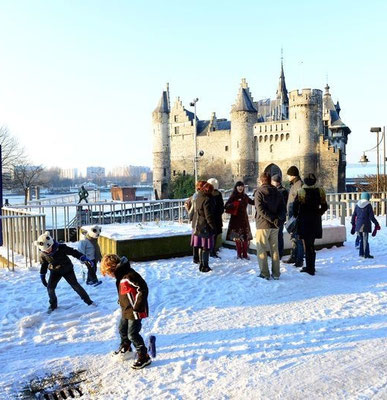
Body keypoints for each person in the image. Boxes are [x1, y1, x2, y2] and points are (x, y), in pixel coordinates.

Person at [100, 254, 151, 369]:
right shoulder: (120, 276)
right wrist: (121, 301)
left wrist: (137, 305)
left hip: (136, 310)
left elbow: (143, 288)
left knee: (132, 334)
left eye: (108, 273)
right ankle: (126, 348)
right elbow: (125, 291)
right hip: (126, 309)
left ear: (112, 268)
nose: (109, 276)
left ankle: (144, 356)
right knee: (122, 329)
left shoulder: (129, 275)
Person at [35, 231, 95, 313]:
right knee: (50, 288)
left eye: (49, 249)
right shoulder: (43, 254)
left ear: (52, 244)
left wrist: (83, 258)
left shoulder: (61, 248)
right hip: (55, 271)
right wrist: (42, 275)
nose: (48, 251)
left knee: (75, 286)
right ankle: (53, 305)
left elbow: (74, 252)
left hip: (67, 269)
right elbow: (44, 265)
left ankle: (89, 301)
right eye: (45, 250)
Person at [293, 173, 328, 275]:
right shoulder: (320, 191)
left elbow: (295, 208)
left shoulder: (301, 192)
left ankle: (310, 268)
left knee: (307, 245)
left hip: (304, 221)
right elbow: (325, 206)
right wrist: (318, 214)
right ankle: (311, 266)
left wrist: (297, 216)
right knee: (311, 244)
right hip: (315, 221)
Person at [255, 172, 286, 280]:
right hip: (275, 225)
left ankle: (265, 273)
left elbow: (260, 210)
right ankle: (276, 273)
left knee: (261, 249)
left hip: (263, 224)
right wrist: (277, 220)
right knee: (275, 249)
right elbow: (283, 208)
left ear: (261, 180)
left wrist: (272, 219)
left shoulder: (259, 192)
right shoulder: (277, 192)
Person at [191, 182, 217, 272]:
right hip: (205, 225)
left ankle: (202, 265)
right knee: (206, 247)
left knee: (202, 246)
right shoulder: (207, 199)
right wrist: (213, 227)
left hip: (199, 224)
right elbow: (208, 215)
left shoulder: (199, 197)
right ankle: (204, 266)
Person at [225, 181, 254, 259]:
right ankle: (239, 254)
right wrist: (234, 204)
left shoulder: (245, 196)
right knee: (237, 237)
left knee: (245, 237)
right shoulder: (233, 196)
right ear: (236, 187)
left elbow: (253, 202)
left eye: (242, 186)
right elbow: (226, 206)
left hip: (244, 219)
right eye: (239, 186)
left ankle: (245, 254)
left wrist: (258, 197)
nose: (240, 188)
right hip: (235, 219)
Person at [284, 166, 304, 267]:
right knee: (293, 237)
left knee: (298, 239)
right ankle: (294, 257)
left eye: (288, 175)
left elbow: (299, 201)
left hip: (296, 216)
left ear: (293, 175)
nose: (287, 177)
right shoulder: (294, 184)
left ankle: (299, 260)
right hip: (293, 215)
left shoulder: (299, 185)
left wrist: (296, 214)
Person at [351, 192, 380, 259]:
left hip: (358, 225)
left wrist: (353, 223)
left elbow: (354, 215)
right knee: (365, 240)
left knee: (361, 239)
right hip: (365, 225)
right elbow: (371, 217)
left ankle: (361, 253)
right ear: (367, 197)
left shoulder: (357, 204)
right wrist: (376, 224)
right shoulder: (368, 205)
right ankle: (366, 254)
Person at [186, 181, 207, 264]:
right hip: (200, 219)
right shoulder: (199, 196)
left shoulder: (194, 196)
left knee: (196, 239)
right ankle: (198, 258)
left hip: (195, 219)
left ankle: (196, 258)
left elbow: (190, 210)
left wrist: (191, 217)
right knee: (200, 240)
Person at [271, 174, 288, 259]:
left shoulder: (282, 191)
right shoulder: (281, 190)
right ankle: (277, 253)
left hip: (279, 217)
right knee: (277, 235)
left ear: (275, 182)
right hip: (277, 216)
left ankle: (279, 253)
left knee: (279, 235)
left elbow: (282, 205)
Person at [207, 178, 224, 258]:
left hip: (212, 218)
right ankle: (212, 250)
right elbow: (221, 206)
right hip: (215, 218)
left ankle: (211, 250)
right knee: (214, 234)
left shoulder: (209, 194)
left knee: (213, 234)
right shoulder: (217, 194)